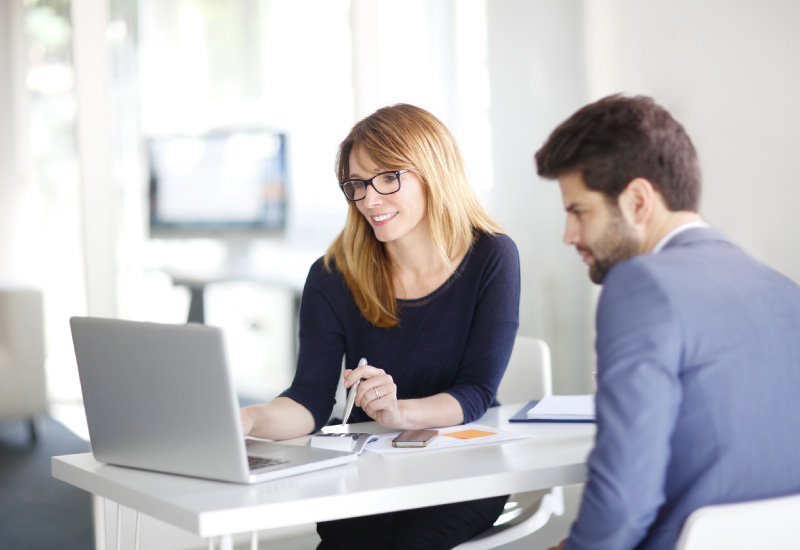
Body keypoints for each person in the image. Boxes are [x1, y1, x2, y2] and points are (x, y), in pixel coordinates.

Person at [241, 103, 520, 549]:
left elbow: (476, 392)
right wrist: (249, 417)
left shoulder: (491, 256)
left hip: (463, 465)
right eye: (356, 184)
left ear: (433, 172)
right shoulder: (333, 275)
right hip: (366, 468)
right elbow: (310, 400)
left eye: (388, 178)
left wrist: (398, 412)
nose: (369, 199)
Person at [534, 94, 800, 550]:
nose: (569, 236)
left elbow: (622, 504)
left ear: (638, 200)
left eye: (579, 211)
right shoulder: (784, 290)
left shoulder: (640, 284)